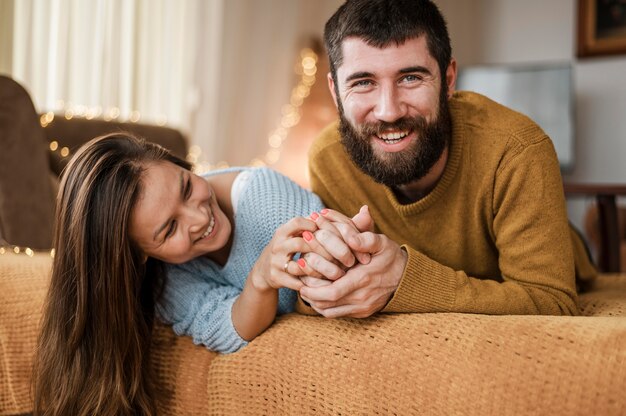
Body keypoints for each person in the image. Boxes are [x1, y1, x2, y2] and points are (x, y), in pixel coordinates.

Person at [297, 0, 597, 319]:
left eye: (410, 78)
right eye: (363, 82)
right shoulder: (328, 158)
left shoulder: (518, 148)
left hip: (561, 247)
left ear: (449, 79)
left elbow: (552, 301)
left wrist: (404, 278)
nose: (389, 111)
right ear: (335, 91)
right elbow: (338, 283)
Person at [32, 133, 369, 416]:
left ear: (179, 165)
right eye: (169, 229)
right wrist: (261, 278)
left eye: (186, 187)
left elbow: (341, 272)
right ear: (139, 256)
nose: (198, 217)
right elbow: (227, 328)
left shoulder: (261, 197)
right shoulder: (164, 279)